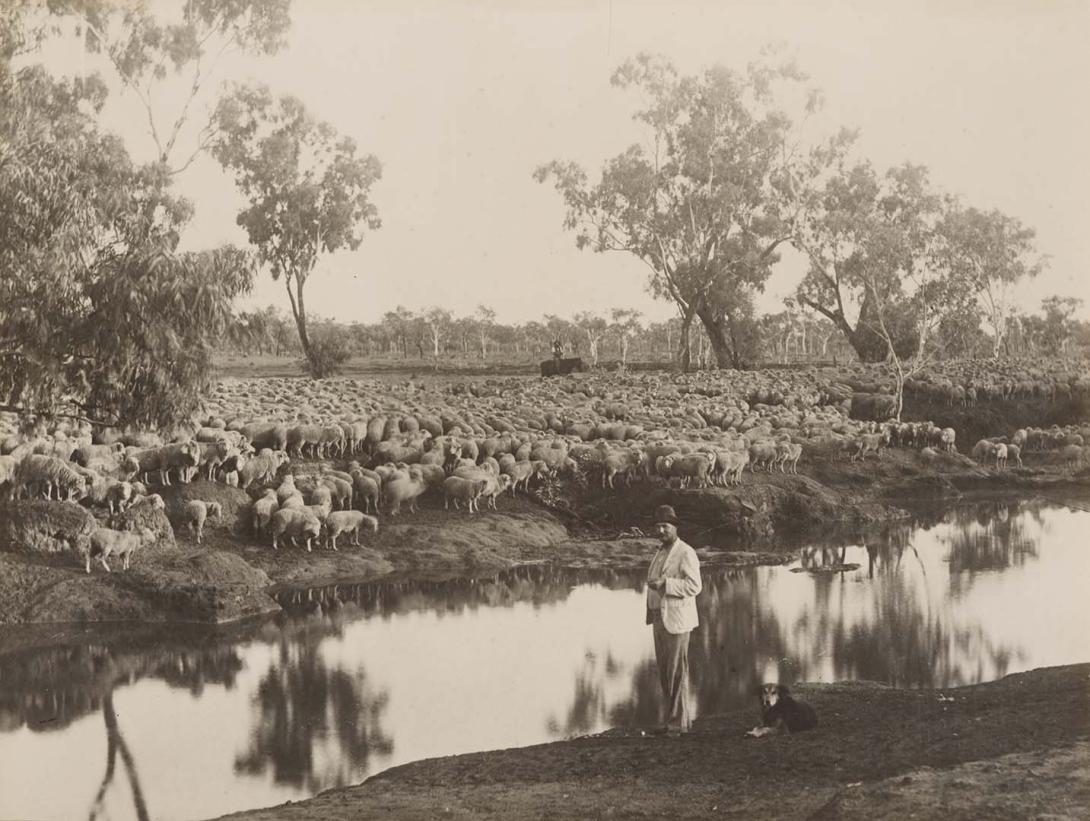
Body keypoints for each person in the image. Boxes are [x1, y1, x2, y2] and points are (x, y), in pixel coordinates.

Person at [645, 504, 702, 736]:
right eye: (658, 526)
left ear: (675, 527)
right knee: (665, 671)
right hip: (659, 617)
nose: (661, 530)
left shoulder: (686, 552)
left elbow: (695, 586)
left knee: (677, 671)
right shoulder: (660, 551)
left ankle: (677, 725)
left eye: (665, 526)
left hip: (677, 619)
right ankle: (675, 721)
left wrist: (666, 585)